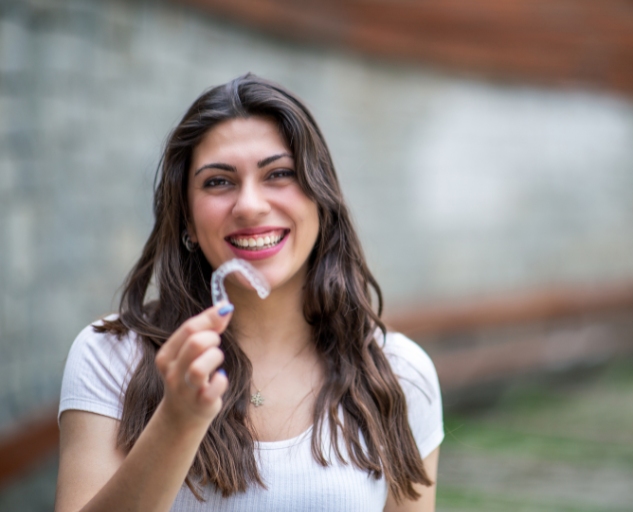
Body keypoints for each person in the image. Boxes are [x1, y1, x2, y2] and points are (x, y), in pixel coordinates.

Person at [55, 73, 443, 512]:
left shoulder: (400, 373)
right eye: (219, 182)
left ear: (321, 198)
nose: (251, 206)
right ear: (186, 218)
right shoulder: (110, 357)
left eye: (279, 174)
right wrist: (177, 420)